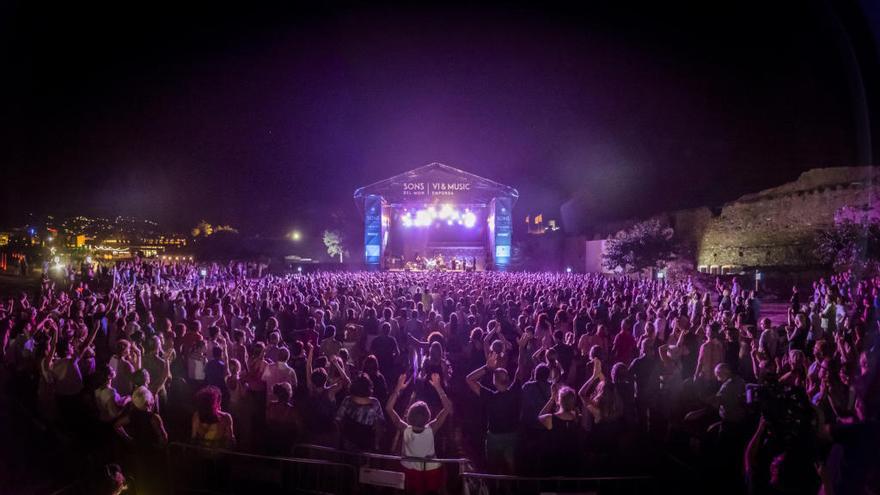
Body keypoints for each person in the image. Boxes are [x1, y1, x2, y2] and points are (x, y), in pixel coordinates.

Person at [386, 373, 452, 495]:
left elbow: (389, 408)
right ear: (428, 416)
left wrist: (397, 388)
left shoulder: (404, 429)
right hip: (431, 469)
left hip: (409, 469)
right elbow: (448, 408)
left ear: (409, 415)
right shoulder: (432, 428)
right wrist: (438, 387)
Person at [335, 373, 385, 451]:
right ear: (369, 387)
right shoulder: (375, 403)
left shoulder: (348, 400)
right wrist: (376, 444)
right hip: (366, 443)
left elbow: (338, 419)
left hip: (348, 442)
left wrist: (340, 437)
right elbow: (379, 424)